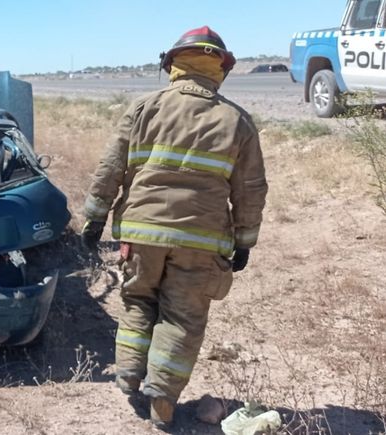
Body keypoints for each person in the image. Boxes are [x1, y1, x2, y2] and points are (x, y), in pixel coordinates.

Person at [80, 26, 268, 429]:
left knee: (137, 302)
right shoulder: (237, 121)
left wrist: (95, 217)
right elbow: (250, 189)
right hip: (201, 242)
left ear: (174, 64)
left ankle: (130, 375)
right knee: (183, 319)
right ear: (219, 68)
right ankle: (162, 400)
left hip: (141, 234)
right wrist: (246, 240)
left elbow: (110, 168)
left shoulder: (144, 107)